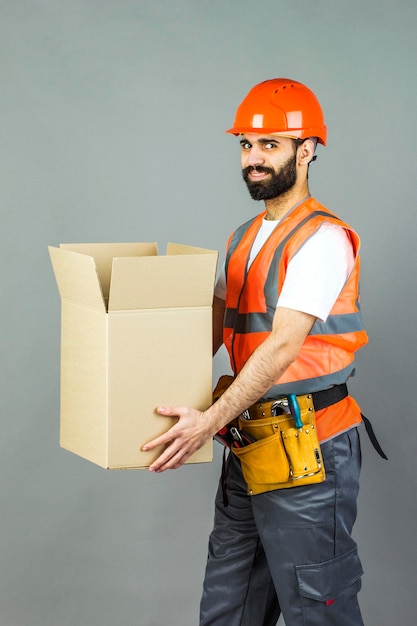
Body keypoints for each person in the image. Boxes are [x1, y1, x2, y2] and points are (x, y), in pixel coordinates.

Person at [143, 78, 373, 625]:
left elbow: (282, 348)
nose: (254, 158)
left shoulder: (322, 240)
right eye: (246, 144)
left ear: (307, 148)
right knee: (228, 606)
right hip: (252, 443)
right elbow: (210, 331)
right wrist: (134, 379)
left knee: (318, 607)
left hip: (309, 447)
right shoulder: (242, 238)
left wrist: (207, 423)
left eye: (270, 144)